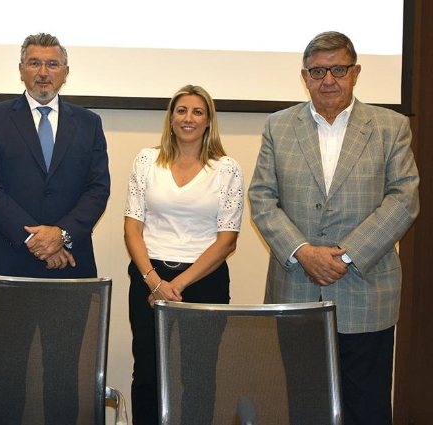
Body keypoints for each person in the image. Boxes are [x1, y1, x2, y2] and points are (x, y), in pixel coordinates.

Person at [248, 31, 419, 425]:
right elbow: (262, 198)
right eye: (319, 71)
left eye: (338, 69)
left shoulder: (390, 127)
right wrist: (303, 253)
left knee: (368, 407)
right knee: (304, 406)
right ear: (305, 77)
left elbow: (403, 198)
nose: (329, 80)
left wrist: (346, 255)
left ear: (355, 72)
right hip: (297, 289)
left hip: (366, 291)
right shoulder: (278, 126)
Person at [0, 33, 110, 423]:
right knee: (3, 370)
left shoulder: (89, 123)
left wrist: (61, 235)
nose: (42, 73)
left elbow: (98, 189)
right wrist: (36, 237)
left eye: (51, 64)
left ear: (65, 73)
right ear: (20, 71)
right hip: (4, 262)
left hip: (69, 266)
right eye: (34, 63)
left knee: (65, 372)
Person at [124, 84, 243, 424]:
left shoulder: (227, 169)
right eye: (181, 111)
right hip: (149, 277)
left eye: (197, 112)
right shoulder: (146, 160)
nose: (188, 118)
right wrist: (154, 281)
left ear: (208, 121)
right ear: (171, 117)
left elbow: (227, 240)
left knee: (199, 377)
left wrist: (175, 286)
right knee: (147, 372)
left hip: (204, 280)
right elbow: (132, 229)